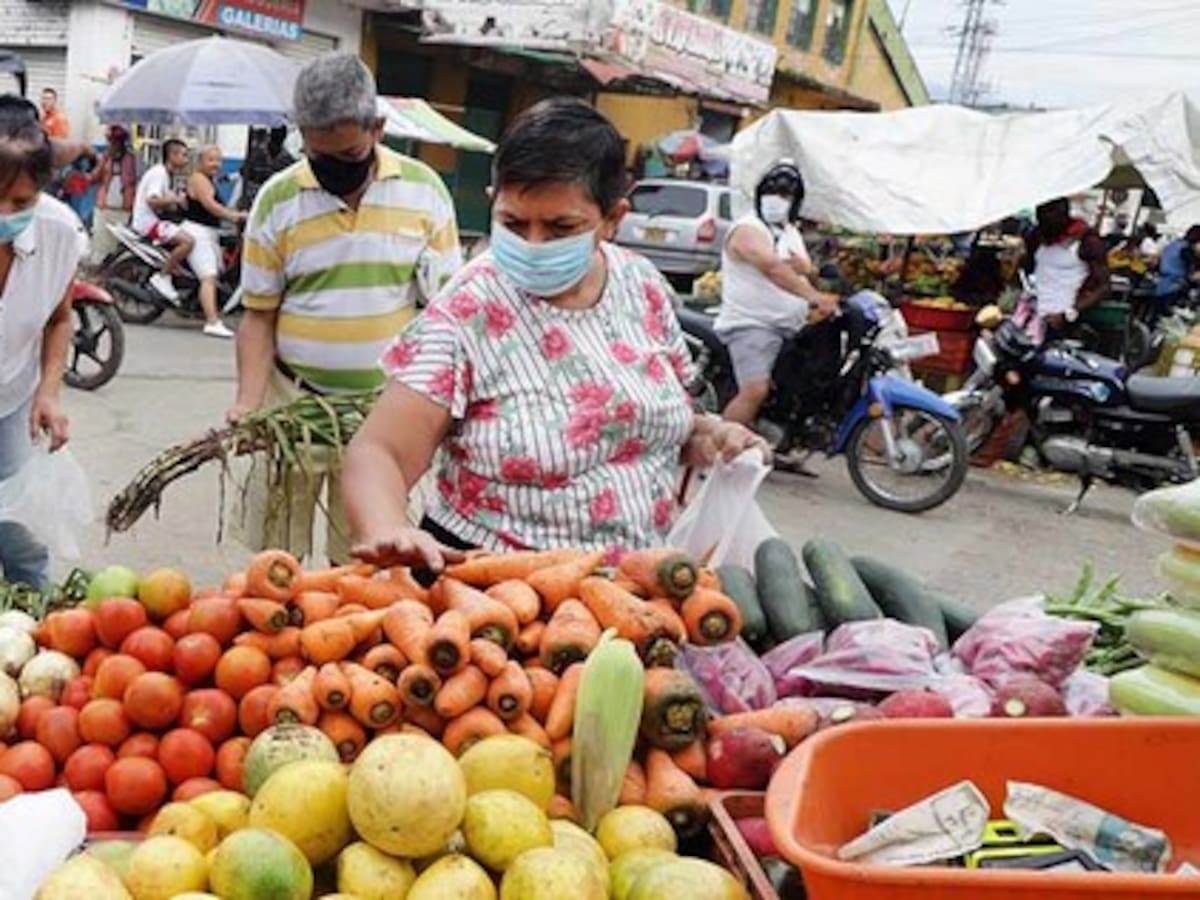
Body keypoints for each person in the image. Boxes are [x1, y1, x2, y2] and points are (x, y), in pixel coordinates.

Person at [340, 98, 765, 570]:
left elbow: (662, 425)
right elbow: (380, 451)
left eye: (561, 227)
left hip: (632, 590)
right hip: (493, 594)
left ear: (612, 219)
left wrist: (715, 437)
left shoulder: (643, 287)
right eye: (513, 223)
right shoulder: (470, 307)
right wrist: (386, 528)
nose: (533, 244)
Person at [229, 53, 464, 565]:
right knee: (276, 558)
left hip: (383, 412)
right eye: (321, 158)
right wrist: (248, 407)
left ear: (377, 128)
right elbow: (259, 316)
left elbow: (444, 316)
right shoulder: (277, 200)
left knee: (365, 558)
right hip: (293, 402)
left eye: (349, 154)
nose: (337, 169)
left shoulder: (425, 192)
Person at [0, 96, 87, 588]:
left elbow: (59, 318)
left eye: (21, 203)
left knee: (20, 535)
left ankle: (33, 623)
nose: (4, 214)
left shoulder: (58, 233)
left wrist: (48, 393)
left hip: (11, 397)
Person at [715, 161, 838, 426]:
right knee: (755, 390)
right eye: (773, 193)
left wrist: (810, 271)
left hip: (791, 326)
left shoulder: (790, 231)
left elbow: (799, 270)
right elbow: (773, 268)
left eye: (785, 196)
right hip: (753, 323)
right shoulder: (748, 229)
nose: (777, 201)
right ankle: (720, 451)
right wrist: (814, 297)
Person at [1022, 197, 1109, 341]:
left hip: (1062, 323)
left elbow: (1104, 287)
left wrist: (1069, 313)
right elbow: (1028, 269)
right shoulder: (1038, 238)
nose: (1043, 224)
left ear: (1064, 214)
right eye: (1040, 217)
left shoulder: (1087, 242)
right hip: (1033, 317)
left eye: (1048, 218)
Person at [182, 144, 243, 338]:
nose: (216, 164)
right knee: (208, 277)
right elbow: (210, 205)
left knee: (216, 272)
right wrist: (234, 217)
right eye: (211, 159)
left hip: (209, 232)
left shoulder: (209, 179)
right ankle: (212, 321)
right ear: (200, 161)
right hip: (197, 232)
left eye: (218, 160)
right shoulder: (199, 179)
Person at [131, 137, 194, 302]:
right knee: (188, 241)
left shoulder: (166, 174)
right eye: (183, 155)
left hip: (154, 221)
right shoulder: (159, 174)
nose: (186, 160)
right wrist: (175, 200)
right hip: (148, 224)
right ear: (172, 156)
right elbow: (152, 200)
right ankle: (163, 277)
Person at [89, 125, 138, 264]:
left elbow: (135, 181)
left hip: (124, 208)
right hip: (104, 207)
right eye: (112, 142)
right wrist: (103, 160)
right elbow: (95, 177)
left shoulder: (132, 159)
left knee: (117, 245)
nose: (115, 145)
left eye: (118, 141)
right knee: (100, 242)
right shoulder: (105, 158)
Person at [1155, 225, 1200, 312]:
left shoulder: (1172, 245)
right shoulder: (1187, 250)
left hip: (1161, 287)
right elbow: (1193, 274)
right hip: (1175, 289)